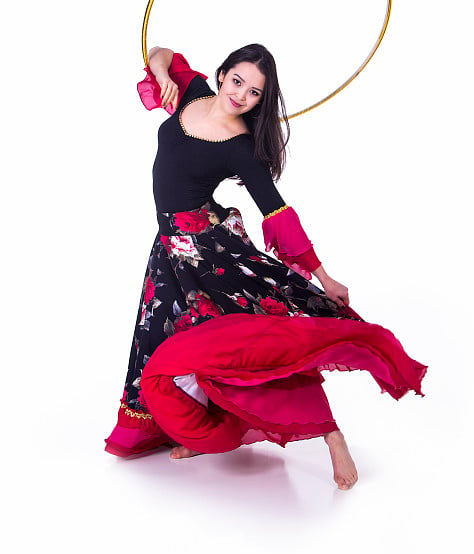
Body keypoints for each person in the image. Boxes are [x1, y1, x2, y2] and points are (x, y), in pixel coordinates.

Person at [104, 44, 427, 490]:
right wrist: (162, 75)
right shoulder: (193, 90)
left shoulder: (239, 148)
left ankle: (331, 436)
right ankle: (202, 428)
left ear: (260, 101)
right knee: (162, 342)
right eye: (237, 81)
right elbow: (161, 51)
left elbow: (277, 212)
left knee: (251, 342)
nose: (241, 95)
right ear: (221, 75)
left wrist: (323, 275)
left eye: (254, 93)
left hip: (212, 256)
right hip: (169, 251)